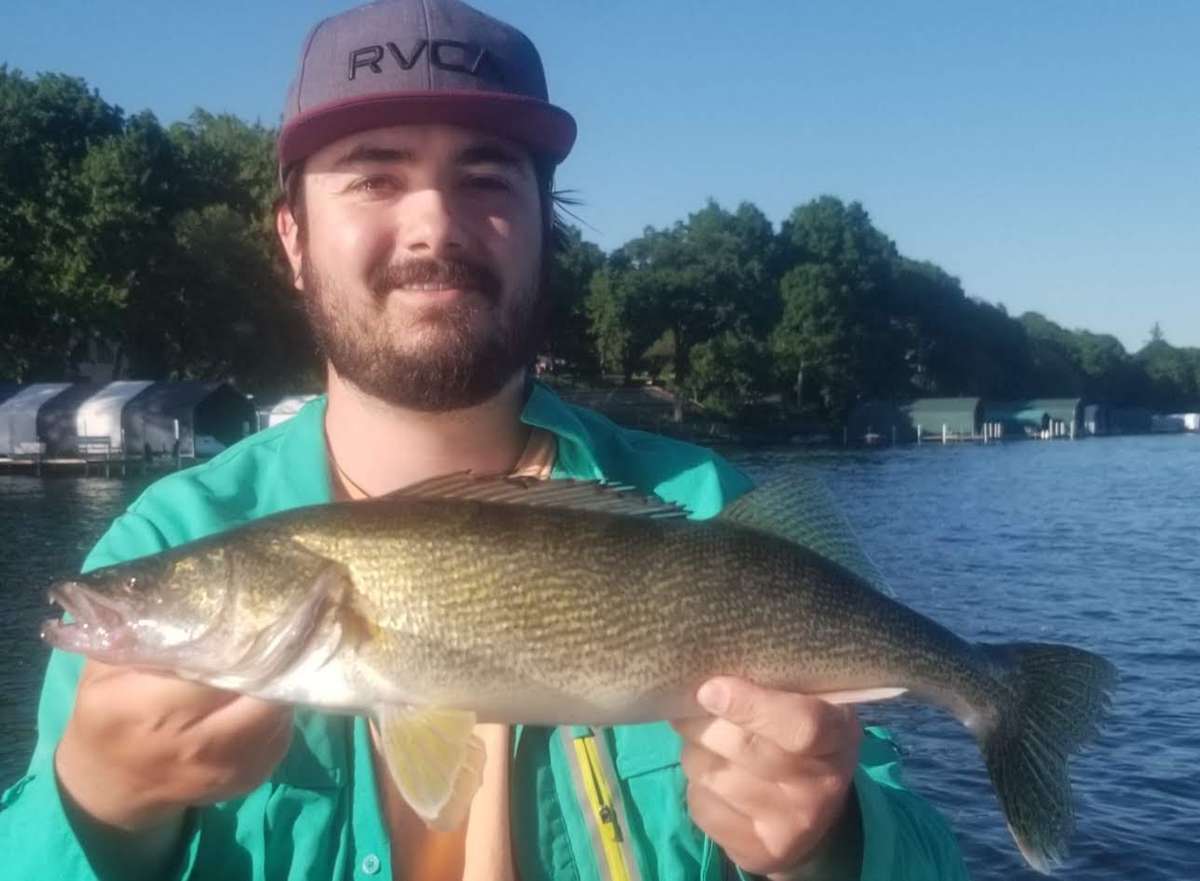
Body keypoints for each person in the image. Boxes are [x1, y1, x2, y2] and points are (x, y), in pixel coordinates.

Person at [0, 1, 970, 879]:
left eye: (484, 178)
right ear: (292, 236)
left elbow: (925, 854)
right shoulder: (159, 532)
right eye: (375, 177)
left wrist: (828, 847)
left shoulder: (711, 510)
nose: (433, 221)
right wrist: (97, 811)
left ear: (545, 225)